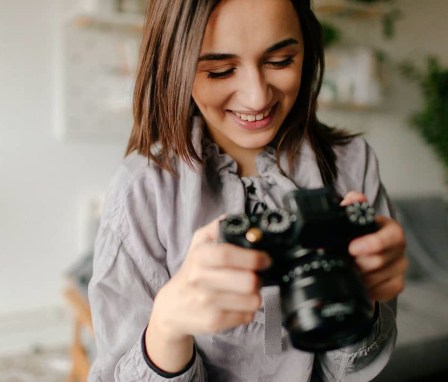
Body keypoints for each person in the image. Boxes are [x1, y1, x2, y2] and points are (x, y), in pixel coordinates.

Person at [88, 0, 408, 381]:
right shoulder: (143, 190)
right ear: (175, 67)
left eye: (280, 61)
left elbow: (356, 370)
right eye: (220, 70)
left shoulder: (352, 165)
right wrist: (167, 328)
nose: (257, 97)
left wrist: (364, 298)